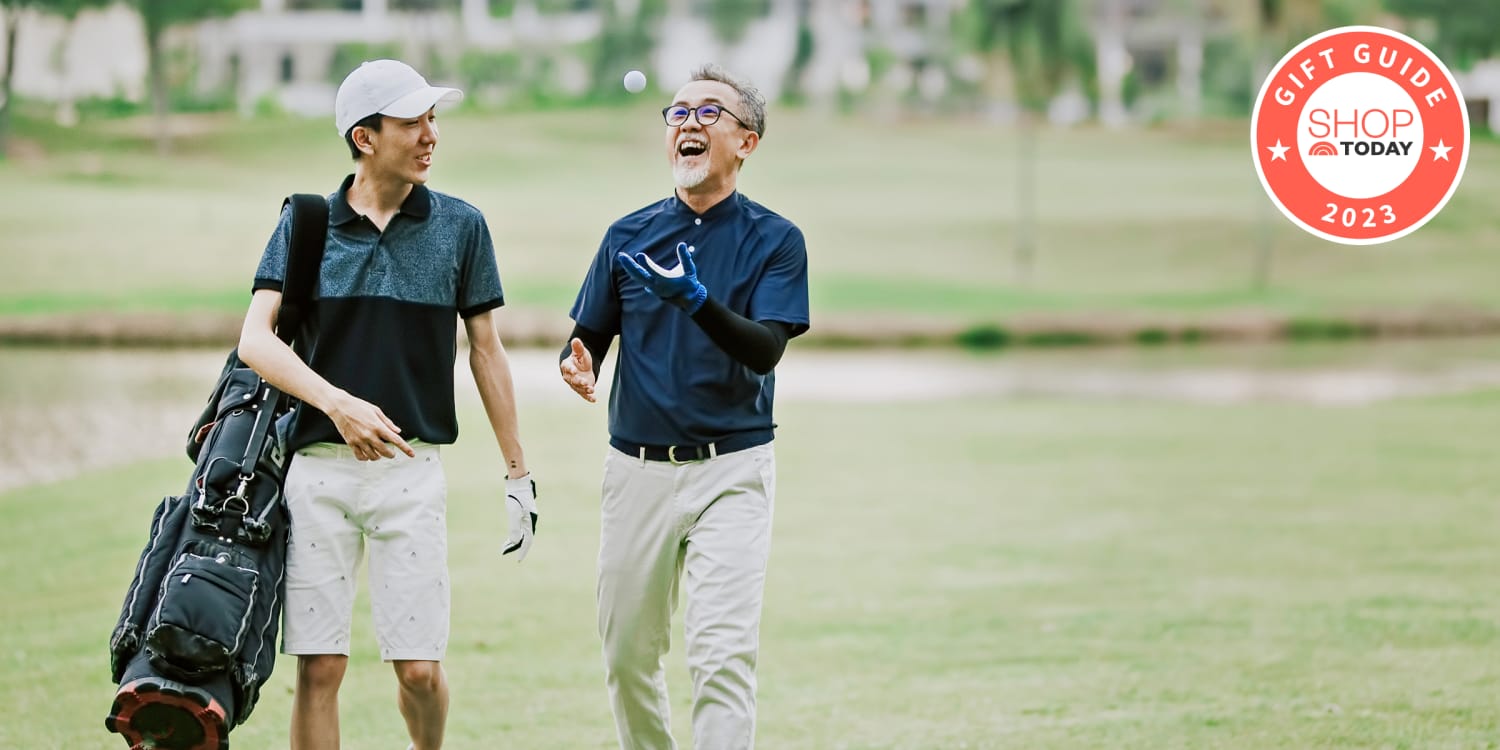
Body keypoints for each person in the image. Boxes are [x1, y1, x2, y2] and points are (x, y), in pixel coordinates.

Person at [236, 59, 538, 750]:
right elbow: (256, 340)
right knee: (320, 668)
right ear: (365, 137)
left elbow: (485, 350)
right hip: (318, 473)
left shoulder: (461, 226)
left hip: (411, 472)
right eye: (413, 122)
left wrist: (517, 469)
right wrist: (337, 403)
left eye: (434, 119)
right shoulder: (307, 222)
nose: (431, 134)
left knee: (421, 672)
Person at [558, 63, 809, 750]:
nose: (688, 124)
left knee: (722, 655)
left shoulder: (776, 241)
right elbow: (588, 339)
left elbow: (764, 351)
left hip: (733, 470)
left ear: (746, 142)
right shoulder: (627, 236)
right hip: (635, 471)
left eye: (707, 113)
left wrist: (696, 301)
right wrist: (576, 363)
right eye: (677, 113)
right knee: (626, 657)